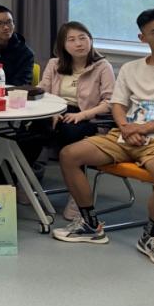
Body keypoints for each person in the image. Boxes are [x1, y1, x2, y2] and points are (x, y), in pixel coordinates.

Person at [53, 8, 154, 269]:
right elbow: (118, 104)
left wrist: (144, 129)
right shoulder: (131, 68)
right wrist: (125, 127)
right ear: (142, 38)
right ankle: (90, 225)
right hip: (123, 135)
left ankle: (150, 237)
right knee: (69, 155)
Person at [32, 21, 115, 220]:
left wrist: (81, 115)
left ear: (90, 40)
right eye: (71, 40)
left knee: (70, 132)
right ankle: (27, 183)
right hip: (57, 111)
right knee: (30, 129)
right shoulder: (54, 64)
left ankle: (77, 195)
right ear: (63, 45)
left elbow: (110, 102)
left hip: (88, 117)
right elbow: (42, 91)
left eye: (82, 38)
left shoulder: (102, 66)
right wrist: (51, 112)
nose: (78, 43)